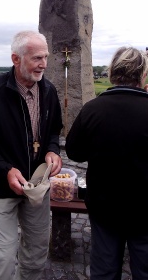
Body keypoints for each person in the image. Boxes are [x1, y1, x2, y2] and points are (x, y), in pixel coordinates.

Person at [0, 30, 63, 280]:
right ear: (16, 59)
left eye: (45, 57)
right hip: (1, 189)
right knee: (3, 256)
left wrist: (52, 149)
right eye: (36, 58)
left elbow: (53, 131)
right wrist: (5, 169)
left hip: (37, 188)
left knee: (37, 252)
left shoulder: (48, 90)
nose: (43, 64)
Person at [65, 46, 148, 280]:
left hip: (104, 206)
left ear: (113, 73)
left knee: (104, 270)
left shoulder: (93, 108)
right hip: (144, 208)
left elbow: (75, 152)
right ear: (142, 75)